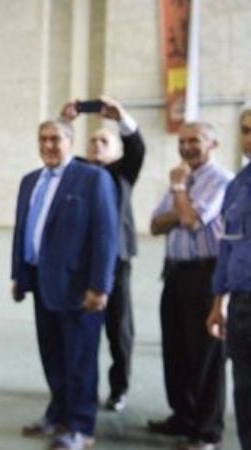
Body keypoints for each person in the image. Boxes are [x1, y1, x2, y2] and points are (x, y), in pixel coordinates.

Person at [11, 119, 118, 450]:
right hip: (42, 284)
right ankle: (58, 415)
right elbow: (22, 231)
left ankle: (81, 427)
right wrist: (18, 275)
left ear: (70, 141)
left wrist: (99, 287)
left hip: (79, 290)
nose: (48, 145)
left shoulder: (92, 178)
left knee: (80, 362)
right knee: (53, 357)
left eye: (55, 139)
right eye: (42, 139)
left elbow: (105, 236)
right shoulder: (30, 181)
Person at [149, 121, 233, 450]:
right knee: (177, 348)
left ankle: (207, 430)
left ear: (212, 143)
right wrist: (180, 203)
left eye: (194, 140)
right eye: (182, 141)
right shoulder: (181, 181)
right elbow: (155, 224)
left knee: (206, 355)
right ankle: (182, 416)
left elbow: (192, 220)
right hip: (175, 273)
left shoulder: (220, 180)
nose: (186, 147)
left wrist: (180, 194)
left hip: (206, 274)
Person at [60, 96, 146, 412]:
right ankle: (82, 390)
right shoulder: (78, 171)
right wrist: (66, 121)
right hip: (81, 264)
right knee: (81, 330)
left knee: (119, 330)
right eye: (93, 139)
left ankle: (118, 389)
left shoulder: (122, 172)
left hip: (117, 263)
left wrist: (120, 115)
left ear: (114, 150)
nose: (97, 143)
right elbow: (60, 150)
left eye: (104, 140)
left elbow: (136, 147)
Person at [206, 106, 251, 450]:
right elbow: (227, 247)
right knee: (245, 391)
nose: (250, 137)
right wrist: (218, 301)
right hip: (242, 307)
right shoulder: (238, 186)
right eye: (246, 130)